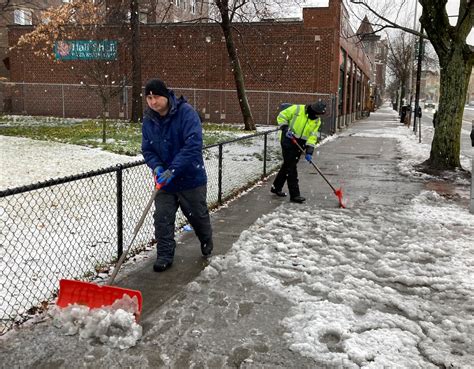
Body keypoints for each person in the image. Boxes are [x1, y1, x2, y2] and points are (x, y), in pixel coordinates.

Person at [141, 78, 213, 272]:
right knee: (162, 218)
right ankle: (165, 254)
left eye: (156, 97)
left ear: (166, 96)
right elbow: (147, 150)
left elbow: (193, 145)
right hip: (165, 182)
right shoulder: (149, 120)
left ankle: (206, 239)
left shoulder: (186, 113)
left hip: (190, 178)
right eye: (148, 98)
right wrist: (156, 167)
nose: (153, 102)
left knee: (197, 216)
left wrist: (173, 169)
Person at [271, 100, 326, 203]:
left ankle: (276, 187)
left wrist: (309, 151)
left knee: (287, 166)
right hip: (288, 139)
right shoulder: (297, 109)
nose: (317, 116)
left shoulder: (316, 121)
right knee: (291, 167)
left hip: (300, 144)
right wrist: (285, 128)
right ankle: (295, 194)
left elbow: (312, 137)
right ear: (312, 110)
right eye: (316, 114)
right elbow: (282, 116)